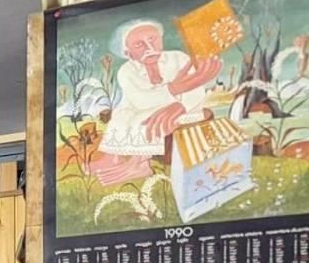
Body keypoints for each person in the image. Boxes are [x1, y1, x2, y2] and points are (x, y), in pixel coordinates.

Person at [91, 19, 221, 187]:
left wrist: (180, 105)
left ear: (161, 40)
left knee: (146, 118)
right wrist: (174, 89)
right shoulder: (126, 71)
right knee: (121, 115)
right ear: (129, 53)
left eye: (152, 39)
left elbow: (196, 90)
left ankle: (139, 164)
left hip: (186, 110)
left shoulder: (179, 58)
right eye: (139, 45)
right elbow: (141, 100)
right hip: (145, 107)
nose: (149, 47)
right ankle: (112, 158)